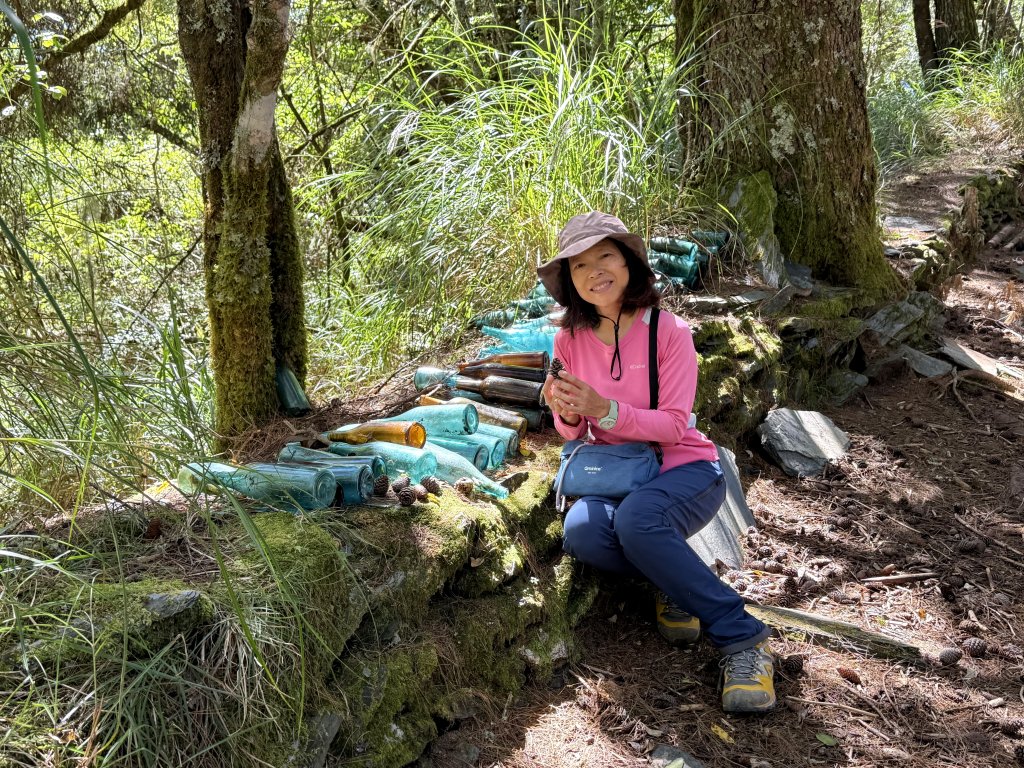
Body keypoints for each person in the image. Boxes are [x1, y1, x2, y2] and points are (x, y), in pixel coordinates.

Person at [538, 211, 775, 714]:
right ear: (570, 281)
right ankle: (675, 581)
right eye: (579, 265)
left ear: (629, 262)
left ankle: (742, 636)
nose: (594, 271)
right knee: (582, 531)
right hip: (615, 469)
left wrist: (606, 408)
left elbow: (673, 425)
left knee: (637, 520)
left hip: (683, 467)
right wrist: (566, 411)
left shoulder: (668, 332)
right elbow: (575, 433)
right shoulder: (566, 341)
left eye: (605, 255)